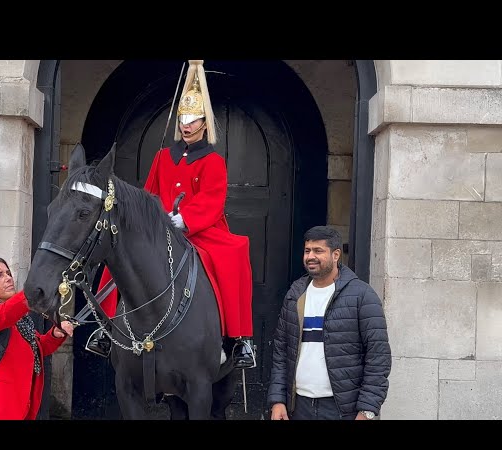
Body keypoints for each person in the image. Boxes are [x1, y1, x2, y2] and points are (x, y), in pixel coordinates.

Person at [87, 60, 255, 369]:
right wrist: (152, 218)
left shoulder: (214, 161)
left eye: (193, 120)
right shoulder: (163, 156)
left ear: (204, 123)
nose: (187, 126)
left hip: (201, 228)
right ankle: (104, 325)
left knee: (235, 252)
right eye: (183, 119)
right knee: (119, 251)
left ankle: (238, 338)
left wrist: (185, 219)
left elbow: (212, 200)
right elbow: (148, 192)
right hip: (158, 227)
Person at [267, 226, 391, 420]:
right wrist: (277, 400)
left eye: (318, 251)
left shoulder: (362, 295)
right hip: (298, 407)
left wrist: (367, 410)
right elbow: (281, 352)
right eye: (307, 251)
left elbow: (378, 357)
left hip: (341, 409)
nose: (310, 256)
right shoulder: (295, 294)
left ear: (336, 255)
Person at [0, 255, 74, 420]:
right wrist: (35, 288)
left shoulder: (19, 321)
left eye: (8, 273)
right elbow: (7, 311)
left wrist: (54, 334)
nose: (8, 278)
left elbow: (38, 348)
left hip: (20, 410)